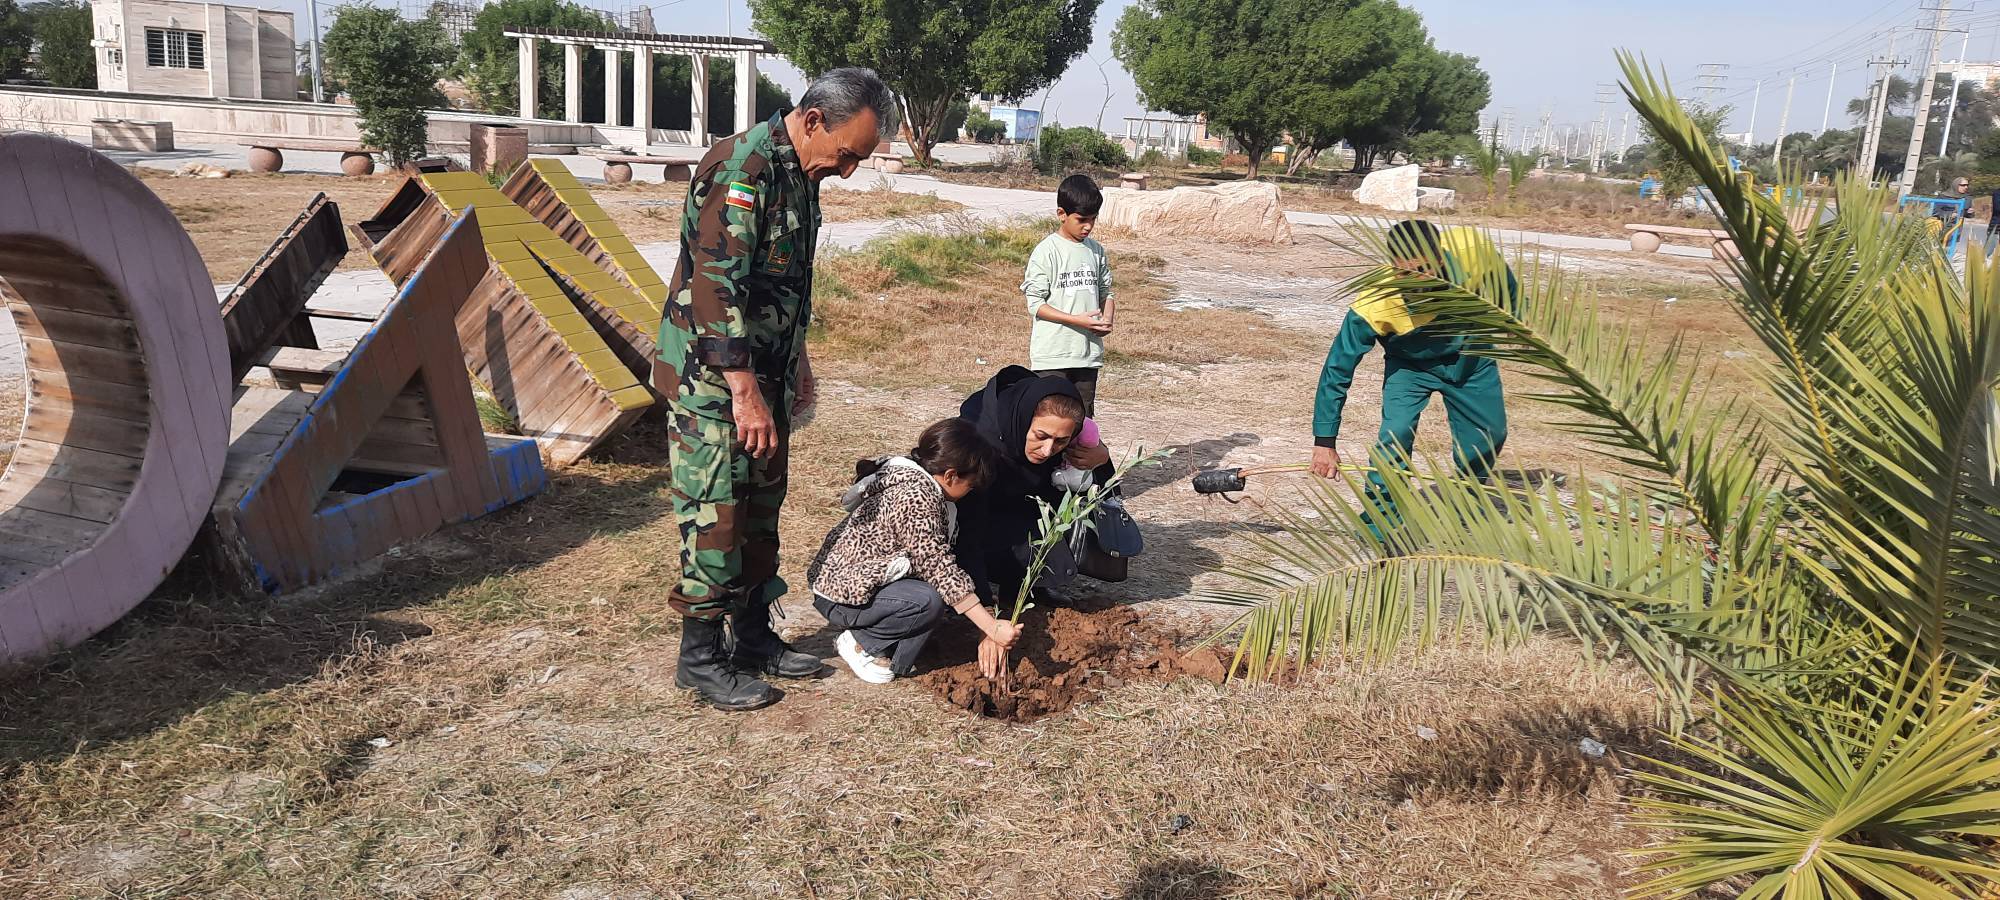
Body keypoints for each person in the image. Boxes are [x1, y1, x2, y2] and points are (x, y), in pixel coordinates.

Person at [657, 67, 898, 712]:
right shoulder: (744, 169)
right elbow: (716, 286)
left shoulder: (803, 174)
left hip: (768, 375)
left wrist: (798, 363)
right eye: (848, 155)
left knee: (762, 508)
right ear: (814, 119)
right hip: (715, 383)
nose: (848, 171)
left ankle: (756, 635)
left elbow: (783, 287)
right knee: (717, 511)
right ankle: (701, 657)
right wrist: (743, 389)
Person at [1309, 219, 1510, 504]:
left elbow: (1506, 286)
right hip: (1409, 367)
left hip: (1471, 360)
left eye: (1423, 269)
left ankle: (1469, 498)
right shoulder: (1374, 302)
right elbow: (1337, 369)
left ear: (1439, 258)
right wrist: (1324, 441)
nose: (1414, 279)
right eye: (1405, 271)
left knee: (1490, 434)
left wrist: (1513, 320)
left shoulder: (1470, 253)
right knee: (1395, 435)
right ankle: (1383, 523)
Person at [807, 419, 1021, 683]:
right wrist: (990, 626)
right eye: (971, 485)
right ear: (952, 475)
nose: (971, 493)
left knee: (931, 599)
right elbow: (938, 567)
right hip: (842, 594)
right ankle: (861, 642)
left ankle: (891, 644)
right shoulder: (916, 498)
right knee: (927, 600)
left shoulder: (918, 482)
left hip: (865, 583)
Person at [954, 366, 1111, 606]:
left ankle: (1032, 584)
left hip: (1025, 516)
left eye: (1061, 441)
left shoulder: (1063, 436)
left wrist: (1101, 458)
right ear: (1023, 419)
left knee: (1076, 506)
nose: (1048, 450)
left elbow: (1104, 491)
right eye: (1041, 436)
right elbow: (967, 531)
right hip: (979, 524)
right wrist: (980, 602)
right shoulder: (979, 442)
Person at [1022, 174, 1114, 416]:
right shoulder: (1046, 251)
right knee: (1050, 420)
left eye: (1093, 220)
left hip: (1087, 356)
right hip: (1052, 357)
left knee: (1081, 424)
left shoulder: (1096, 251)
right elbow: (1036, 305)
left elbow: (1107, 291)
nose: (1088, 226)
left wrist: (1107, 319)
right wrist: (1078, 321)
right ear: (1061, 214)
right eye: (1082, 220)